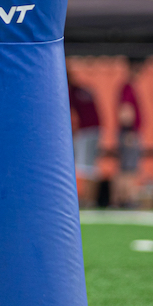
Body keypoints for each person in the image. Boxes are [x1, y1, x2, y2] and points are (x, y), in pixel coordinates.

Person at [67, 69, 101, 208]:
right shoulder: (84, 90)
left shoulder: (71, 91)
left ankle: (87, 200)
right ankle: (89, 200)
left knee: (85, 167)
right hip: (95, 130)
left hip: (86, 131)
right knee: (90, 166)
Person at [114, 57, 144, 208]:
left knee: (126, 166)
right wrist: (129, 131)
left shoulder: (128, 87)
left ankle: (123, 199)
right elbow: (125, 113)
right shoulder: (128, 87)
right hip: (129, 134)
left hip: (127, 133)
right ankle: (127, 199)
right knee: (129, 167)